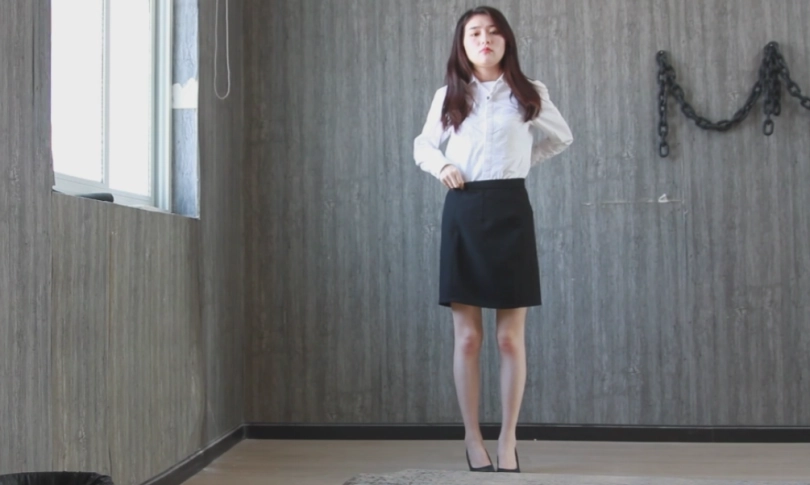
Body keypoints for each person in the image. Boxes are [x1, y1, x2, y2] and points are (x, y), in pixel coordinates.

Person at [413, 5, 573, 474]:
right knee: (467, 339)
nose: (484, 40)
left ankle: (508, 438)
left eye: (493, 32)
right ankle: (472, 437)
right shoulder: (449, 94)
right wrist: (443, 165)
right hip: (463, 210)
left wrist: (518, 165)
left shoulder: (528, 92)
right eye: (474, 33)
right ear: (462, 45)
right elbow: (423, 145)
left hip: (510, 211)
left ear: (506, 40)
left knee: (508, 340)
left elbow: (562, 138)